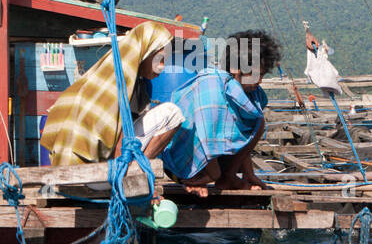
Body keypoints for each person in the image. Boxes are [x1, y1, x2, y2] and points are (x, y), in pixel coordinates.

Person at [40, 21, 184, 166]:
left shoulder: (106, 74)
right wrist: (119, 174)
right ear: (147, 52)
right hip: (90, 168)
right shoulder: (122, 80)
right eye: (161, 59)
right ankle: (136, 171)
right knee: (172, 113)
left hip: (66, 161)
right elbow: (118, 134)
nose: (162, 67)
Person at [162, 30, 278, 196]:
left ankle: (228, 177)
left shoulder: (246, 94)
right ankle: (197, 177)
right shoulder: (212, 84)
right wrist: (212, 174)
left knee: (259, 122)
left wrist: (249, 174)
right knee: (213, 170)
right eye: (255, 74)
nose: (260, 81)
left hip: (210, 158)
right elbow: (206, 136)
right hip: (180, 161)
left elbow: (244, 133)